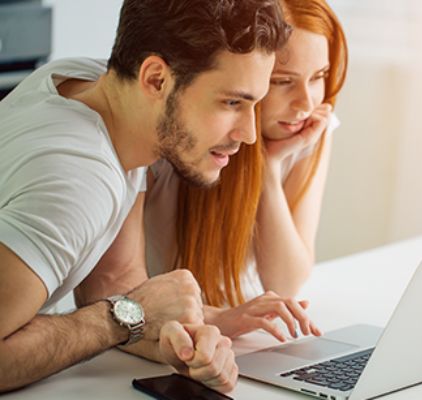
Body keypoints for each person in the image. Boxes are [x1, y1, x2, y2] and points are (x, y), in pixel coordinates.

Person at [0, 0, 291, 393]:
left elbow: (112, 280)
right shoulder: (80, 178)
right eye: (232, 102)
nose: (249, 133)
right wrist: (124, 319)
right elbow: (120, 308)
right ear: (156, 79)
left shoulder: (86, 85)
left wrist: (178, 335)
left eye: (254, 105)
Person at [144, 0, 348, 341]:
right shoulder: (174, 137)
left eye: (319, 77)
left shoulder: (310, 129)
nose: (306, 103)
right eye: (283, 81)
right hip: (157, 336)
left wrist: (268, 168)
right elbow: (121, 287)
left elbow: (285, 282)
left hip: (228, 337)